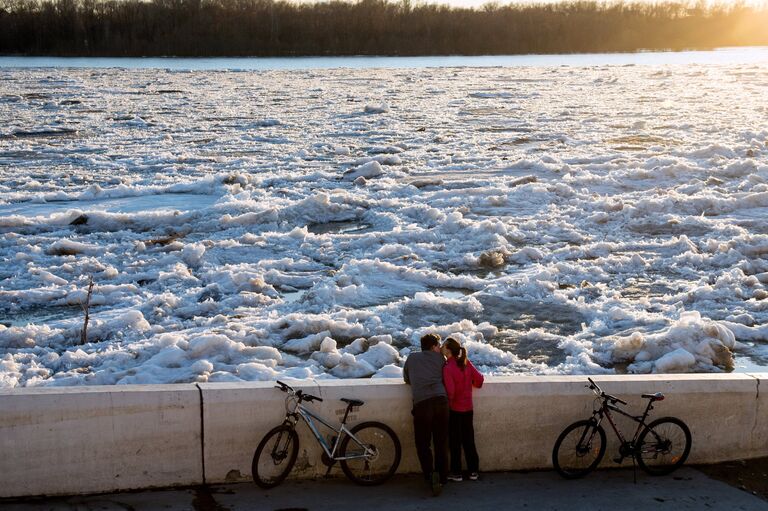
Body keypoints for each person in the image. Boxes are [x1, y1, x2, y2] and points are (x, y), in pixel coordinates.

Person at [403, 333, 449, 496]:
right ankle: (443, 477)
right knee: (441, 442)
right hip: (441, 402)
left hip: (422, 403)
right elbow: (446, 378)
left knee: (423, 443)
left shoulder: (412, 358)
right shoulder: (440, 359)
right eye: (438, 345)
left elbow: (407, 379)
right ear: (433, 347)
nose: (440, 348)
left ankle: (430, 475)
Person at [442, 337, 484, 482]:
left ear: (448, 349)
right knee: (469, 441)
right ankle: (473, 471)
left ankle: (456, 472)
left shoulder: (448, 368)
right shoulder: (466, 363)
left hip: (455, 410)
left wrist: (448, 406)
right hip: (468, 409)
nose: (441, 347)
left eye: (443, 346)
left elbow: (451, 392)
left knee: (455, 442)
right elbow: (479, 381)